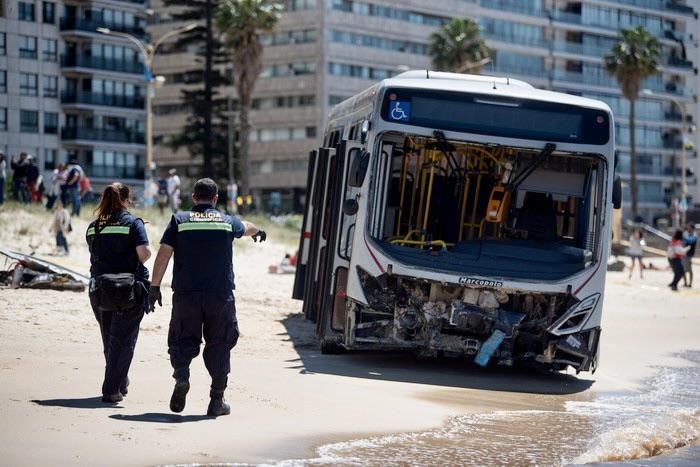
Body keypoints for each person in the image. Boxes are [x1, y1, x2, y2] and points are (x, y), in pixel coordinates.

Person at [148, 178, 266, 417]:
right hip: (219, 295)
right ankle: (216, 401)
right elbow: (247, 225)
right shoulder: (226, 221)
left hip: (186, 294)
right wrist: (259, 232)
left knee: (182, 340)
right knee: (220, 344)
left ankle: (182, 375)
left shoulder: (179, 220)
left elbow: (164, 253)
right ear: (215, 199)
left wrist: (154, 286)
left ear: (193, 198)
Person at [86, 182, 152, 403]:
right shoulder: (133, 223)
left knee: (110, 338)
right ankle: (112, 388)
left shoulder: (93, 226)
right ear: (125, 200)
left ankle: (120, 381)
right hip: (128, 290)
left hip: (99, 289)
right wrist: (140, 231)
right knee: (123, 340)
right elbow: (143, 255)